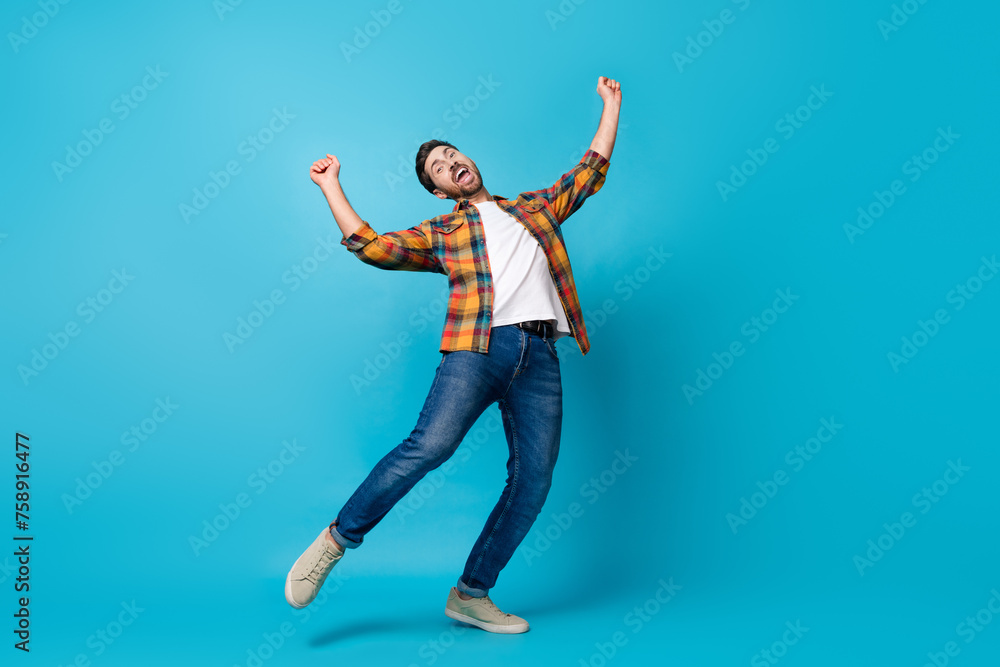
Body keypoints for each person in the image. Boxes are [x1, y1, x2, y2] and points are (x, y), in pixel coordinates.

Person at [285, 76, 622, 634]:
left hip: (539, 355)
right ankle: (336, 540)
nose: (449, 163)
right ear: (440, 191)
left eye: (450, 154)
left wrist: (610, 105)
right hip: (478, 346)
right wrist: (331, 186)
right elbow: (375, 248)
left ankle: (471, 593)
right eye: (438, 168)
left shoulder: (536, 208)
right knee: (430, 446)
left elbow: (590, 171)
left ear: (469, 160)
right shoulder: (444, 230)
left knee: (535, 477)